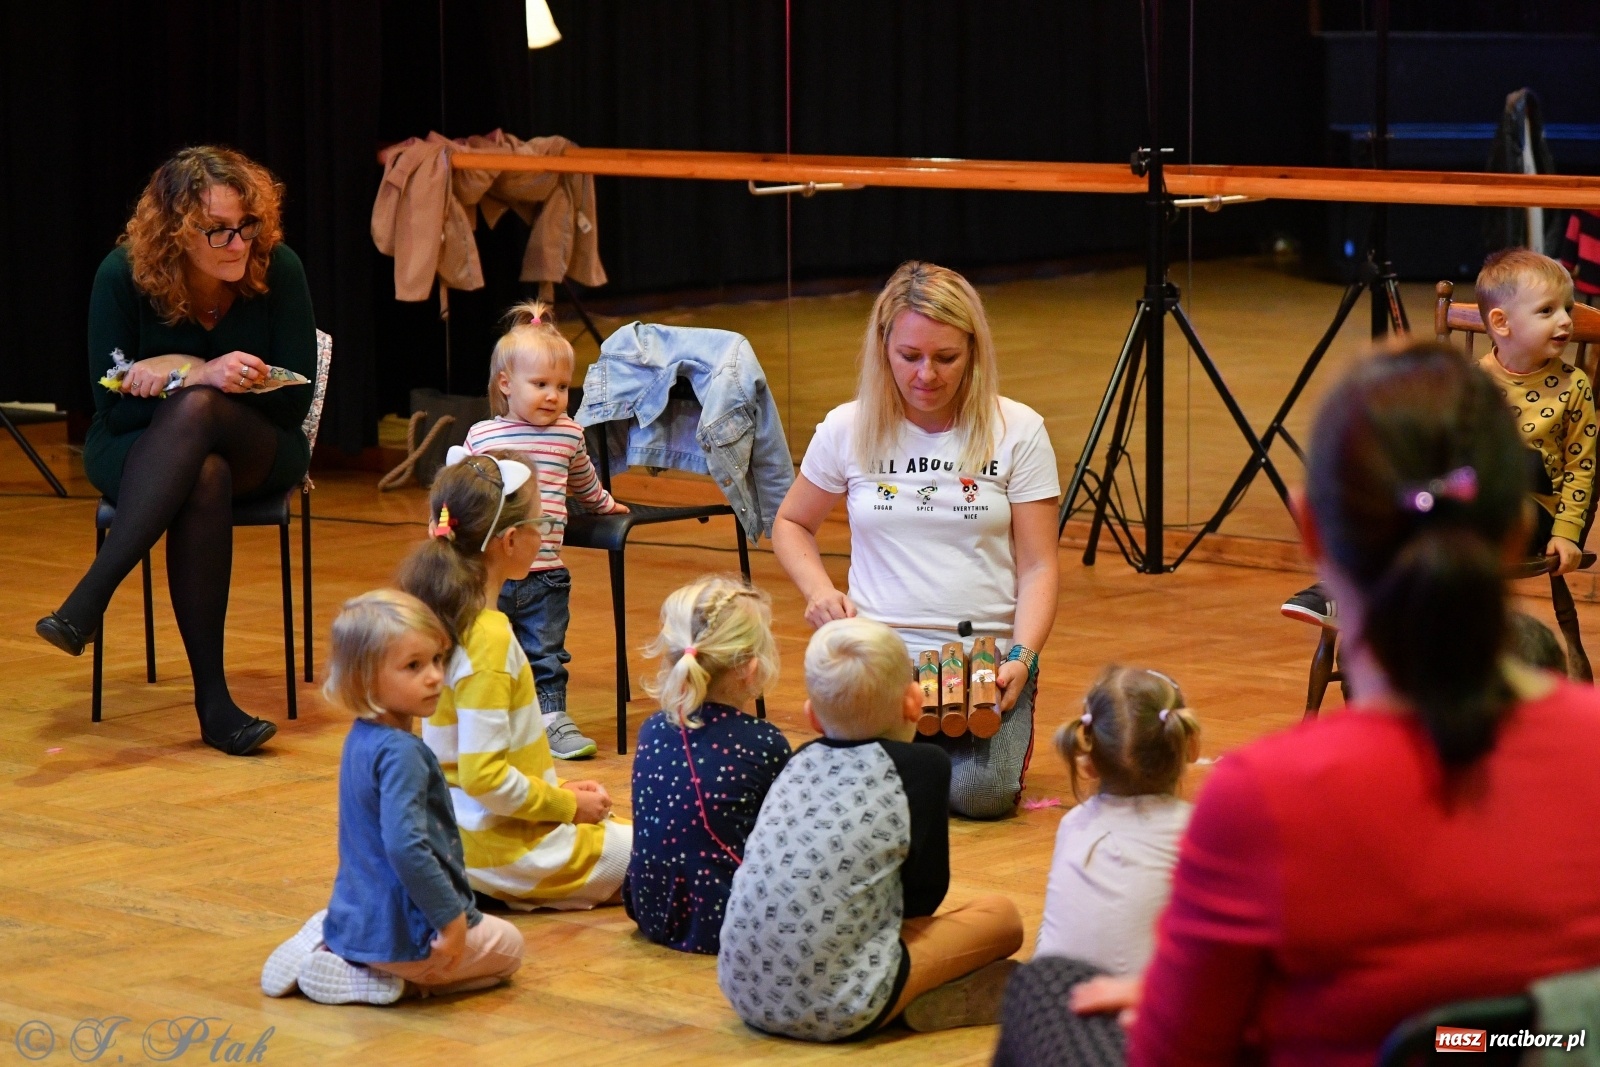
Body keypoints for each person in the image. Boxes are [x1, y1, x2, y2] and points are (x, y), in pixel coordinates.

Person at [1113, 342, 1600, 1065]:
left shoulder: (1263, 797)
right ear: (1517, 537)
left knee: (1055, 994)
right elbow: (1490, 1037)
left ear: (1310, 529)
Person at [36, 146, 317, 755]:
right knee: (203, 471)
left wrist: (195, 378)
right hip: (135, 449)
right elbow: (112, 408)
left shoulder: (280, 268)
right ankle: (215, 705)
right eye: (217, 231)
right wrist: (196, 374)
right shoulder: (122, 276)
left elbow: (294, 403)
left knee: (203, 421)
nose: (237, 243)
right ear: (174, 233)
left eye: (245, 226)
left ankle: (91, 596)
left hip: (262, 445)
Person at [772, 261, 1061, 819]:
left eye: (946, 357)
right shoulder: (847, 426)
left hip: (984, 657)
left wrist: (1022, 657)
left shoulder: (1019, 428)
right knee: (855, 791)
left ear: (973, 351)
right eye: (910, 357)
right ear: (884, 349)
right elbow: (791, 524)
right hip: (881, 657)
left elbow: (1039, 567)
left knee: (979, 796)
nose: (927, 374)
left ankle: (914, 760)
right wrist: (817, 591)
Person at [718, 617, 1024, 1040]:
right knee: (1001, 917)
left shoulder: (797, 761)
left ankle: (910, 991)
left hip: (745, 992)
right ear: (916, 701)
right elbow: (925, 894)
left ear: (812, 717)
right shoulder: (924, 766)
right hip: (846, 1007)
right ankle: (913, 997)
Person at [1282, 248, 1596, 628]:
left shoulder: (1574, 385)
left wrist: (1567, 534)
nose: (1565, 321)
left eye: (1568, 308)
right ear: (1502, 322)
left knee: (1461, 506)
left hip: (1528, 510)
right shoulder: (1472, 379)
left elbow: (1582, 466)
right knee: (1412, 502)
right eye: (1547, 311)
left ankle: (1383, 601)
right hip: (1463, 496)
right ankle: (1348, 588)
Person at [261, 590, 525, 1005]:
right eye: (413, 666)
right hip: (405, 936)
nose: (435, 676)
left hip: (359, 913)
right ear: (365, 679)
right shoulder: (403, 753)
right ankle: (390, 980)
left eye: (437, 660)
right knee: (510, 949)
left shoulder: (361, 736)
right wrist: (451, 922)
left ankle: (335, 940)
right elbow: (407, 848)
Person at [398, 450, 632, 910]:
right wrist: (566, 808)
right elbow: (483, 778)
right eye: (541, 525)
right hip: (501, 850)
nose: (545, 536)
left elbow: (466, 767)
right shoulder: (489, 638)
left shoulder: (438, 615)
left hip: (455, 834)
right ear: (509, 541)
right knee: (669, 852)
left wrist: (555, 791)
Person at [462, 301, 629, 759]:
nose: (553, 396)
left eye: (561, 386)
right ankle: (495, 720)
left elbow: (585, 486)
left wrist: (607, 505)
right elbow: (461, 490)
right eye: (540, 385)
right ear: (505, 384)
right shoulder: (482, 436)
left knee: (547, 654)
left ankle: (553, 720)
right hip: (491, 570)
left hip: (546, 574)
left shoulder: (569, 435)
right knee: (490, 648)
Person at [623, 575, 790, 955]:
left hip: (651, 911)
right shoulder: (763, 741)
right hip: (725, 920)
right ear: (750, 667)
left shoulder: (653, 728)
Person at [1036, 666, 1199, 973]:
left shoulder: (1073, 823)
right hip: (1151, 1013)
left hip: (1054, 1009)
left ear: (1087, 763)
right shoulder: (1200, 832)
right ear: (1190, 745)